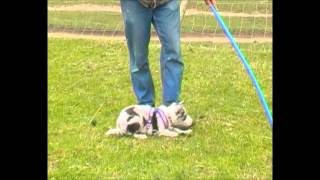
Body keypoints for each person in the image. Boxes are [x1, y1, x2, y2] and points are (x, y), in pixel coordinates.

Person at [120, 0, 216, 109]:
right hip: (135, 3)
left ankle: (171, 107)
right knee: (138, 57)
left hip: (167, 2)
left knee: (173, 52)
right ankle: (145, 108)